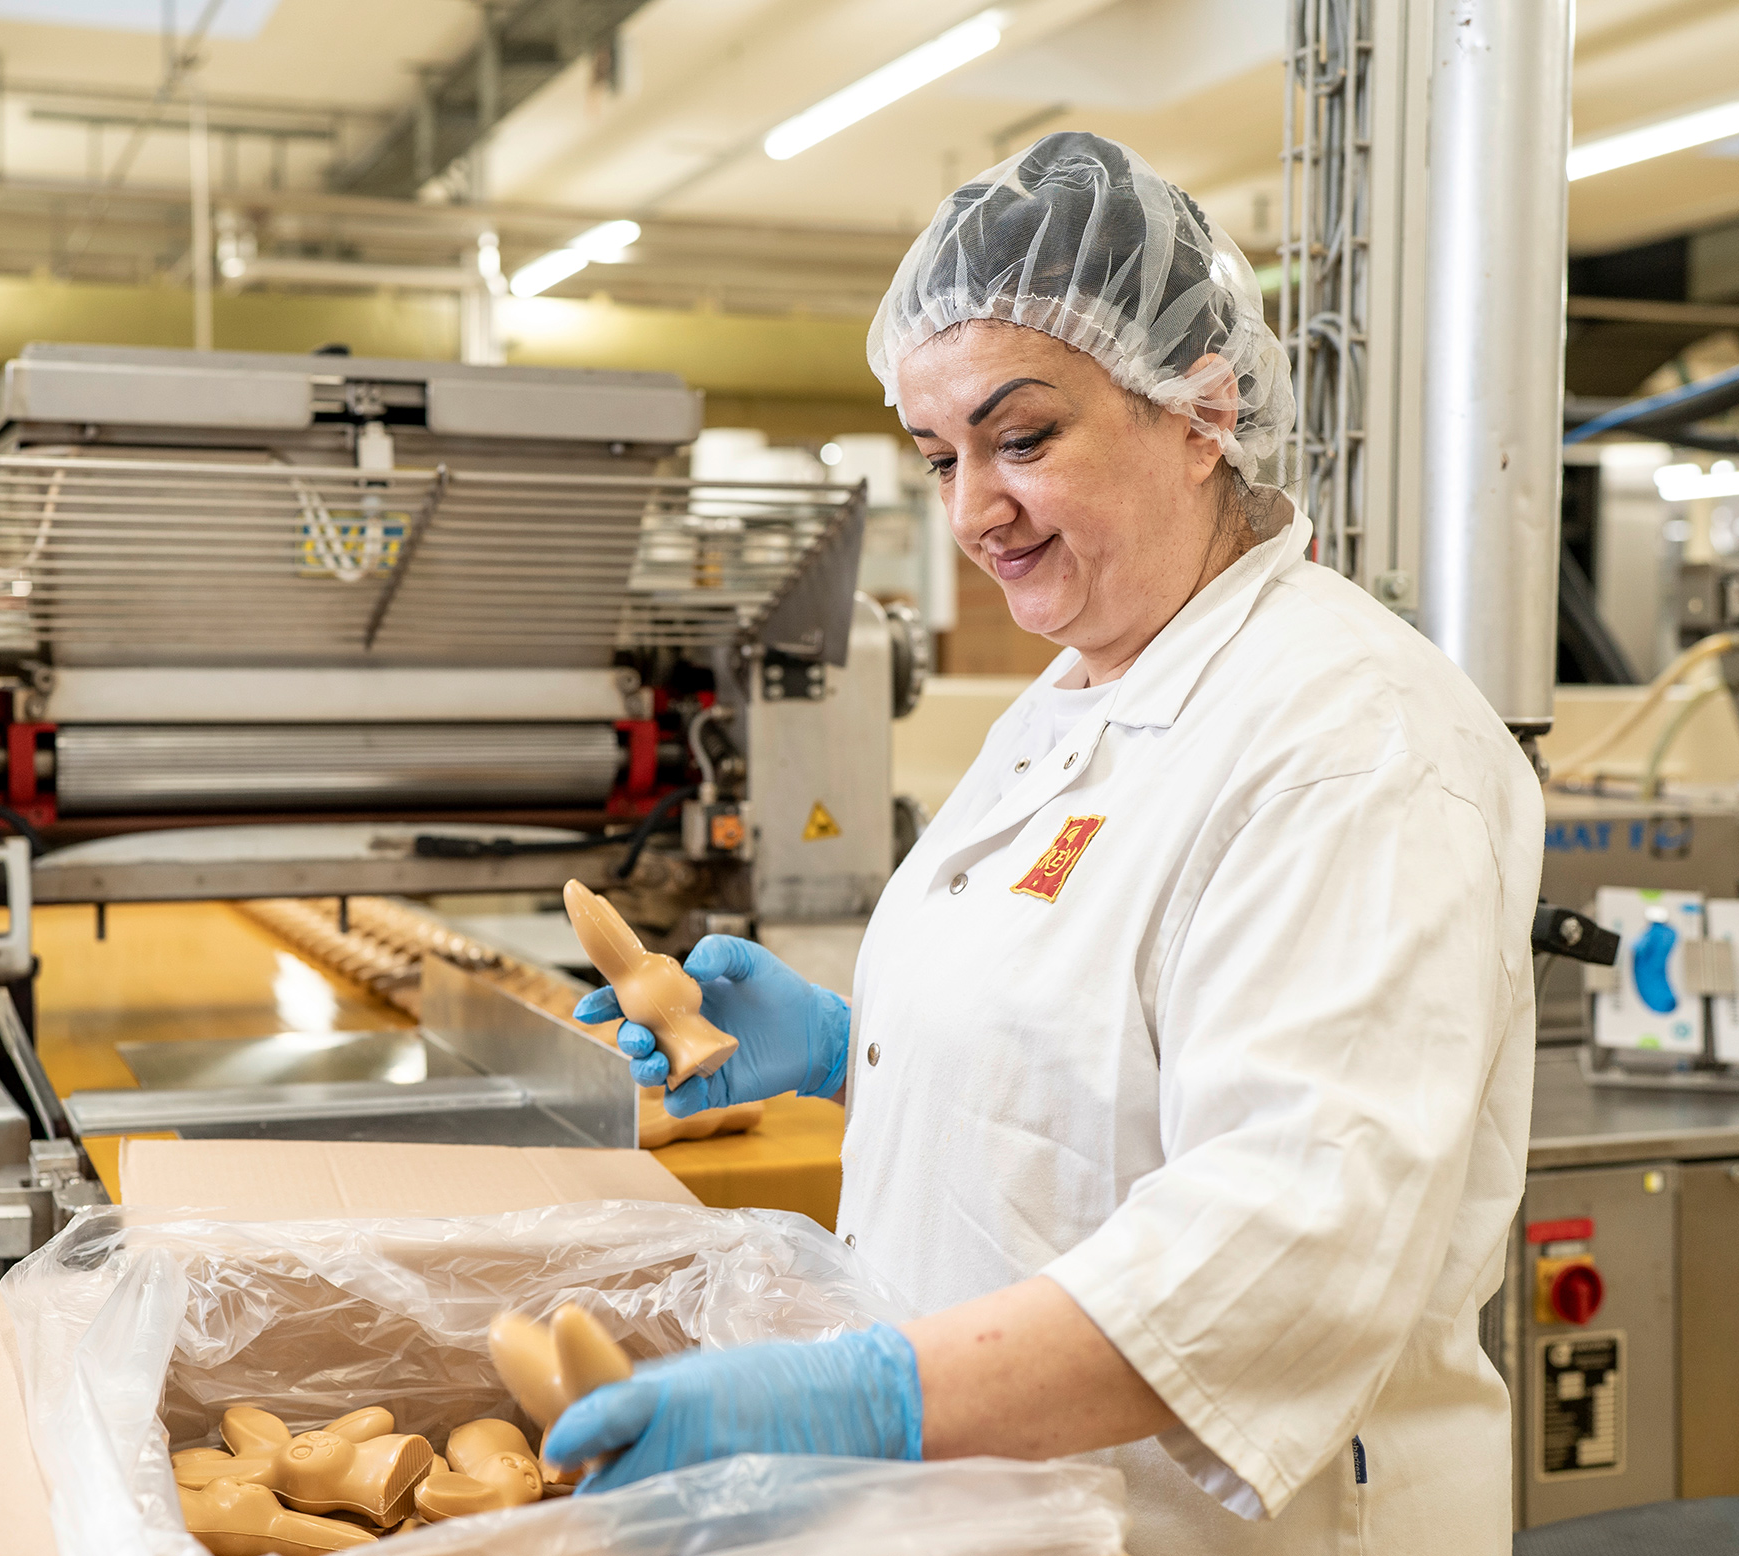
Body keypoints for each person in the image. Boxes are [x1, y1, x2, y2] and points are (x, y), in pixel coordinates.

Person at [552, 133, 1543, 1556]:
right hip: (992, 1508)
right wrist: (854, 1049)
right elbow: (1091, 1075)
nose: (973, 511)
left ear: (1201, 410)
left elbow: (1288, 1242)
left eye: (1022, 440)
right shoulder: (1079, 691)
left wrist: (868, 1400)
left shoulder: (1357, 741)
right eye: (939, 457)